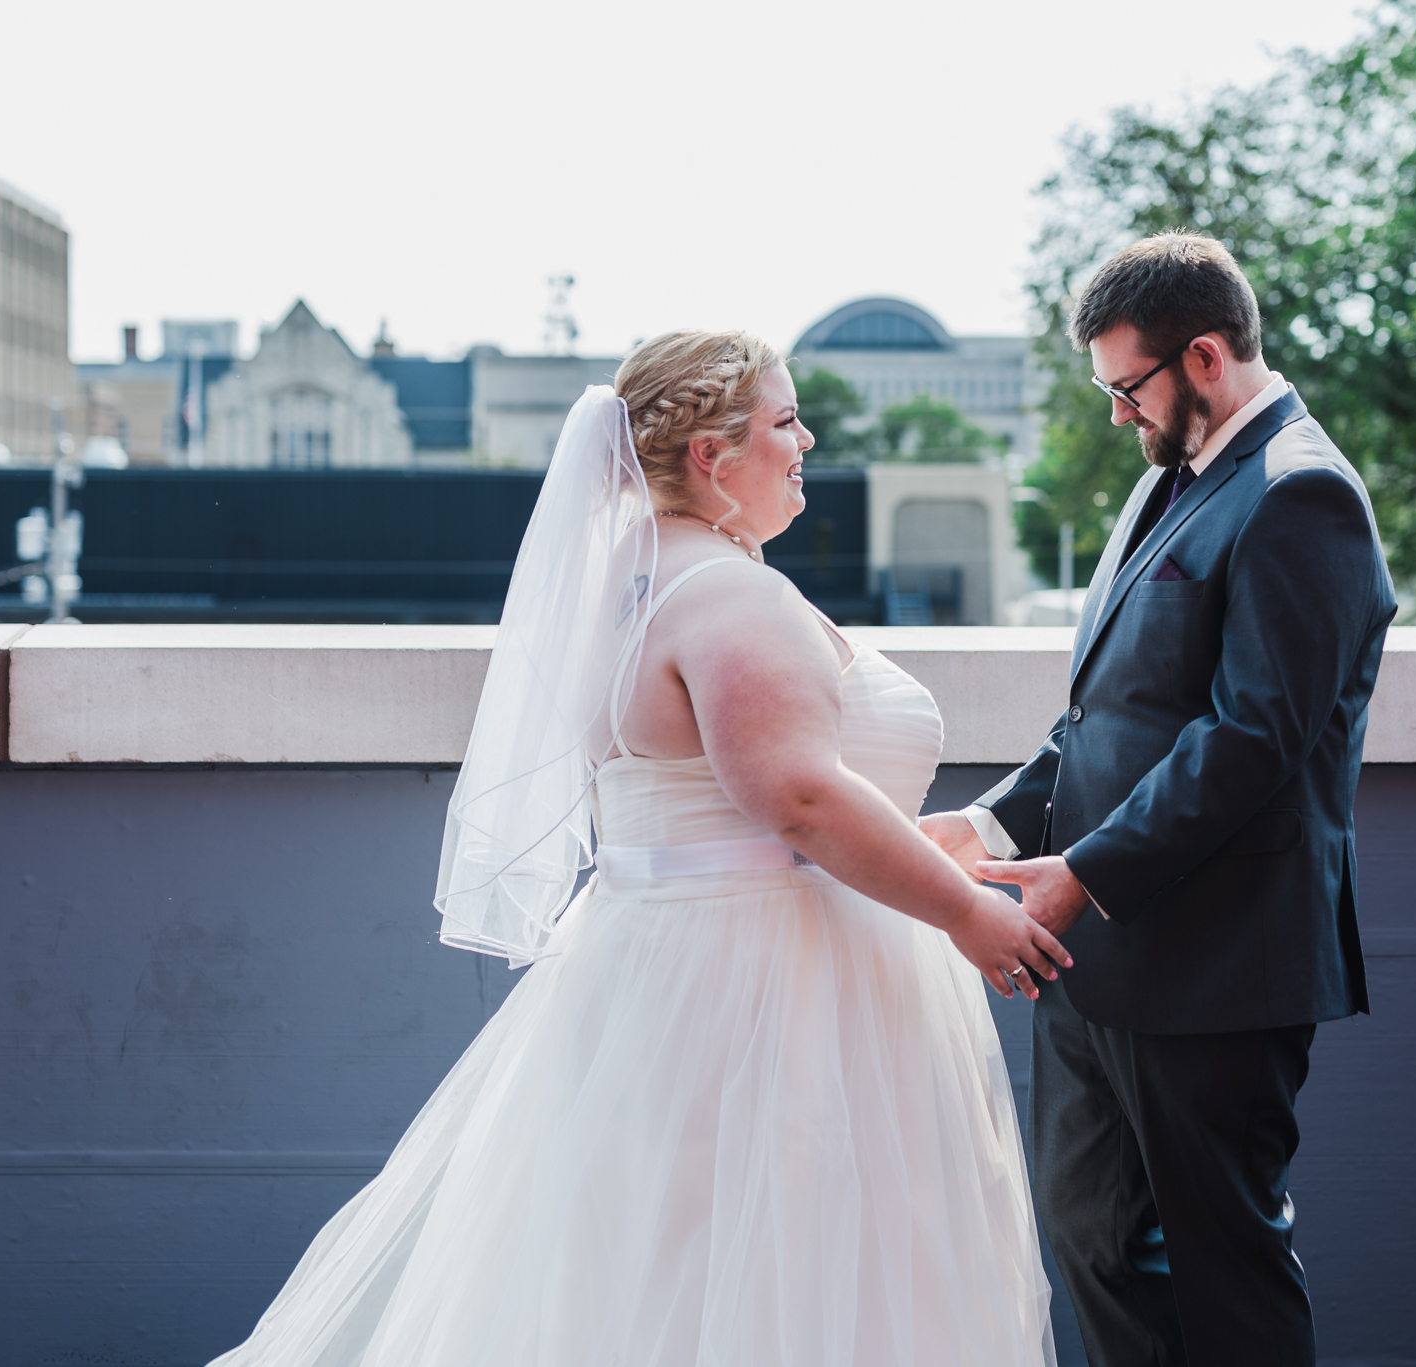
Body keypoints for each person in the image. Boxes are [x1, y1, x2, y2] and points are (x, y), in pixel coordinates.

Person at [208, 331, 1061, 1367]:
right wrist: (964, 910)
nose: (806, 441)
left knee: (665, 1267)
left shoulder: (630, 575)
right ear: (711, 454)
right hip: (774, 993)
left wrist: (918, 846)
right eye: (785, 421)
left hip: (669, 968)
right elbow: (792, 796)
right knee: (783, 1271)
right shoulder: (725, 594)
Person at [923, 232, 1396, 1366]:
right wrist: (984, 825)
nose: (1117, 415)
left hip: (1216, 966)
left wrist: (1080, 873)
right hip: (1093, 959)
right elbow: (1106, 719)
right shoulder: (1163, 483)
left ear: (1201, 357)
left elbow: (1250, 739)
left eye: (1125, 387)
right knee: (1089, 1238)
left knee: (1224, 1270)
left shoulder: (1302, 493)